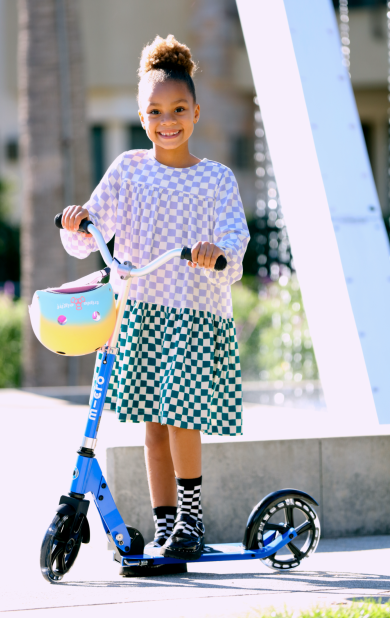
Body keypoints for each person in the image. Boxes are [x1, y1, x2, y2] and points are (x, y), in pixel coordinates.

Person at [60, 34, 250, 576]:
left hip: (193, 313)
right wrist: (80, 222)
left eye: (179, 109)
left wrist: (217, 253)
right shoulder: (128, 169)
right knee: (151, 423)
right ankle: (166, 523)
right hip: (141, 312)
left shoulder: (216, 179)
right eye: (156, 111)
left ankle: (191, 520)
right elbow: (91, 230)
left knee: (182, 418)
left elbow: (235, 243)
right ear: (142, 117)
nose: (168, 120)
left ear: (196, 112)